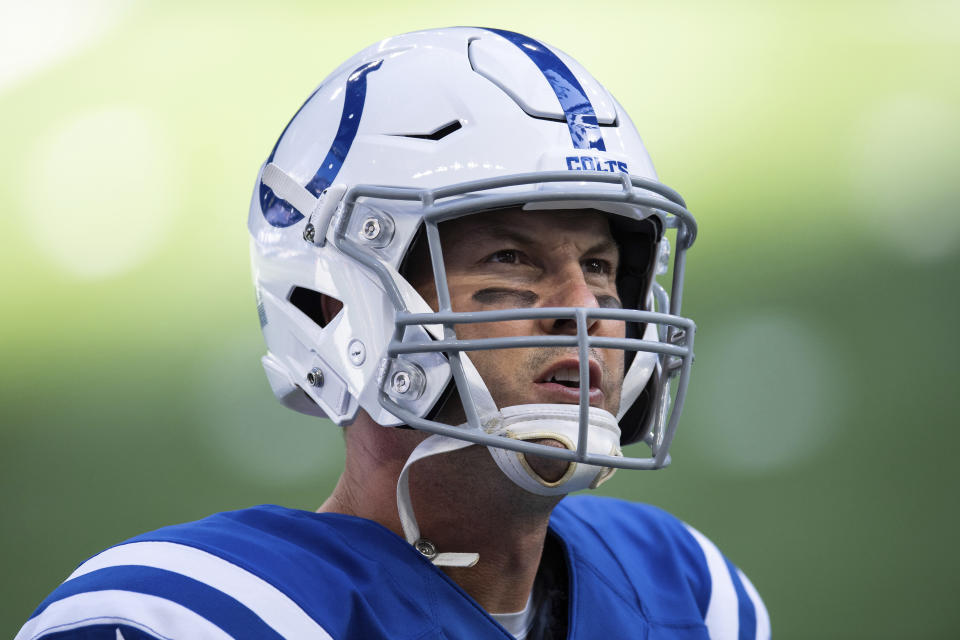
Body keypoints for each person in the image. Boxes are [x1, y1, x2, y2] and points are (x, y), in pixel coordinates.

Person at [17, 27, 770, 639]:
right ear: (330, 306)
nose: (583, 306)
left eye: (603, 266)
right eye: (510, 260)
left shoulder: (691, 596)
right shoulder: (201, 618)